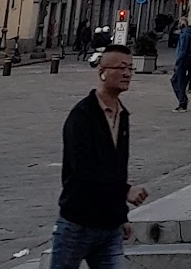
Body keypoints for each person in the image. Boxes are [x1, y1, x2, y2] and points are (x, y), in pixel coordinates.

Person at [50, 44, 148, 269]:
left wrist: (121, 216)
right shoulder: (82, 116)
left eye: (130, 68)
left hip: (110, 227)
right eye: (121, 68)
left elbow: (118, 168)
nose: (127, 74)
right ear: (102, 72)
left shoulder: (122, 115)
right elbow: (83, 171)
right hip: (77, 224)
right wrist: (125, 191)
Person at [169, 20, 191, 112]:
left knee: (178, 82)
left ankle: (182, 103)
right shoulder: (186, 33)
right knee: (176, 81)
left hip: (182, 61)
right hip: (185, 60)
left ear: (183, 24)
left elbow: (183, 50)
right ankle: (183, 99)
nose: (179, 25)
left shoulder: (185, 35)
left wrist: (177, 61)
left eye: (180, 23)